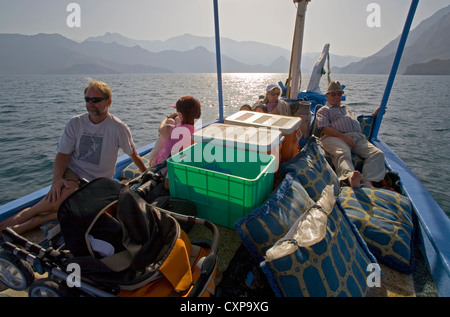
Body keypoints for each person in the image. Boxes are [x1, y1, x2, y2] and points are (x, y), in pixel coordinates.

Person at [0, 80, 146, 234]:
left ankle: (39, 218)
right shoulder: (75, 123)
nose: (90, 103)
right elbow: (63, 154)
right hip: (74, 173)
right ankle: (25, 218)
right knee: (59, 201)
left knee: (80, 209)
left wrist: (147, 174)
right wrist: (57, 180)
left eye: (95, 100)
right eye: (87, 99)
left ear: (108, 101)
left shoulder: (118, 128)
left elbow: (133, 154)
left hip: (98, 182)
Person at [316, 81, 385, 189]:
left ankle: (368, 181)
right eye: (333, 94)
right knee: (343, 153)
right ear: (327, 96)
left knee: (377, 154)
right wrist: (344, 137)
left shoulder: (346, 109)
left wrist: (374, 115)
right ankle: (350, 178)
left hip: (357, 138)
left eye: (339, 94)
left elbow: (355, 120)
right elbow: (325, 128)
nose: (337, 97)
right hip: (334, 137)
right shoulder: (324, 110)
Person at [151, 96, 201, 167]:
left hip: (161, 165)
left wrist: (167, 117)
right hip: (181, 162)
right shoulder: (196, 132)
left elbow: (160, 128)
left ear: (180, 114)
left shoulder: (169, 129)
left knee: (168, 123)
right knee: (175, 122)